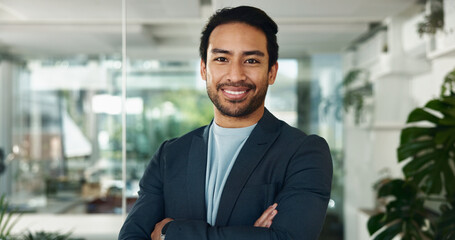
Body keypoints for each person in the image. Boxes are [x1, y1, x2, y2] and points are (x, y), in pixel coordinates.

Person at [119, 5, 332, 240]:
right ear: (203, 68)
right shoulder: (170, 155)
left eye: (251, 60)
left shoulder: (304, 152)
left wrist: (171, 233)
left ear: (272, 72)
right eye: (221, 59)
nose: (235, 75)